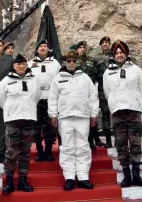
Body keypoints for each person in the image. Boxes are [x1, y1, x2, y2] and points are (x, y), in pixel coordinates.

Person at [48, 50, 99, 191]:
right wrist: (53, 115)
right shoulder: (57, 78)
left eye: (73, 61)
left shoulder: (85, 78)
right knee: (67, 148)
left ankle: (83, 177)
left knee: (83, 147)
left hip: (83, 117)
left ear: (77, 62)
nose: (71, 63)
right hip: (65, 117)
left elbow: (93, 97)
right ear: (65, 62)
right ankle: (69, 177)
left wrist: (94, 114)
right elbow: (52, 98)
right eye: (69, 60)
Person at [103, 40, 142, 188]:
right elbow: (107, 92)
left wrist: (137, 103)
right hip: (117, 112)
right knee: (121, 144)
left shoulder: (135, 69)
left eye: (121, 52)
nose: (119, 55)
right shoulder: (107, 72)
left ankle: (136, 174)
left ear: (126, 54)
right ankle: (127, 175)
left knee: (135, 143)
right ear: (113, 55)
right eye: (116, 53)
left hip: (133, 110)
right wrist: (113, 105)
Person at [0, 54, 40, 195]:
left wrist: (28, 108)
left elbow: (36, 97)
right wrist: (10, 110)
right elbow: (0, 99)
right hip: (13, 119)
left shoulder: (34, 80)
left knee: (25, 152)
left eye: (23, 64)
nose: (21, 66)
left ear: (26, 65)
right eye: (18, 64)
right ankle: (9, 181)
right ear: (14, 66)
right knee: (11, 152)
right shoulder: (6, 81)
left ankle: (22, 180)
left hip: (28, 118)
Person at [28, 39, 61, 162]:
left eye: (45, 46)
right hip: (36, 101)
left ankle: (48, 152)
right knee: (36, 128)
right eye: (40, 46)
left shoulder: (55, 63)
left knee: (50, 128)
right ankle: (39, 151)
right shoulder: (30, 63)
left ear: (48, 49)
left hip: (50, 99)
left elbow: (59, 80)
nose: (43, 48)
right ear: (37, 50)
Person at [76, 41, 104, 150]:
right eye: (80, 47)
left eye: (84, 47)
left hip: (90, 91)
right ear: (77, 50)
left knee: (92, 116)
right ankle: (86, 141)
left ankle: (95, 140)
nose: (82, 49)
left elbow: (97, 75)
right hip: (78, 93)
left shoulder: (92, 61)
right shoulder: (73, 61)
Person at [94, 36, 112, 148]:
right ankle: (109, 141)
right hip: (102, 88)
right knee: (105, 114)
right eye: (103, 42)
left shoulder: (115, 55)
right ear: (100, 45)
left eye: (107, 42)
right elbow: (95, 73)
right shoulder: (96, 58)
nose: (105, 44)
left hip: (114, 88)